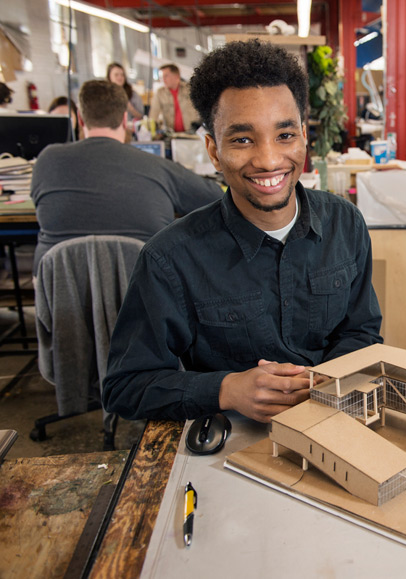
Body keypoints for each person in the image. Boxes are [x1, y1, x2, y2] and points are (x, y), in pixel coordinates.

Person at [102, 40, 383, 423]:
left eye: (285, 135)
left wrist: (325, 380)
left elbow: (362, 331)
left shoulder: (345, 225)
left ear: (304, 136)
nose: (268, 160)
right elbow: (124, 387)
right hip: (225, 441)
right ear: (214, 151)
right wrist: (225, 390)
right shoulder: (169, 258)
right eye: (242, 139)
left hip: (330, 421)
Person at [31, 80, 222, 271]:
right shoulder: (155, 166)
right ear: (124, 119)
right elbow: (215, 198)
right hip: (142, 291)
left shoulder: (47, 159)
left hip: (58, 288)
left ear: (80, 119)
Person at [153, 63, 199, 133]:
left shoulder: (190, 89)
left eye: (166, 76)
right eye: (161, 77)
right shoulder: (160, 93)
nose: (163, 79)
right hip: (171, 134)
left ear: (176, 76)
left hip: (192, 132)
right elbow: (153, 114)